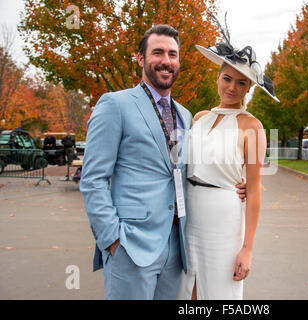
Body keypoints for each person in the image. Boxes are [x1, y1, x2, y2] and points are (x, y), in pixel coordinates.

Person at [80, 25, 246, 300]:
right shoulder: (114, 105)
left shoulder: (185, 115)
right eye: (158, 52)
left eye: (172, 54)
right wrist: (112, 239)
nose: (166, 61)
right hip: (130, 245)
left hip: (176, 248)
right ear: (141, 59)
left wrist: (242, 181)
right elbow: (92, 178)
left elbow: (193, 170)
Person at [176, 29, 280, 300]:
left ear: (250, 88)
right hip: (188, 214)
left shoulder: (253, 127)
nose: (232, 88)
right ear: (218, 78)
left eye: (242, 83)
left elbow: (255, 191)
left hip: (223, 219)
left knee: (220, 291)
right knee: (186, 290)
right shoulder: (199, 118)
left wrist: (247, 249)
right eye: (227, 79)